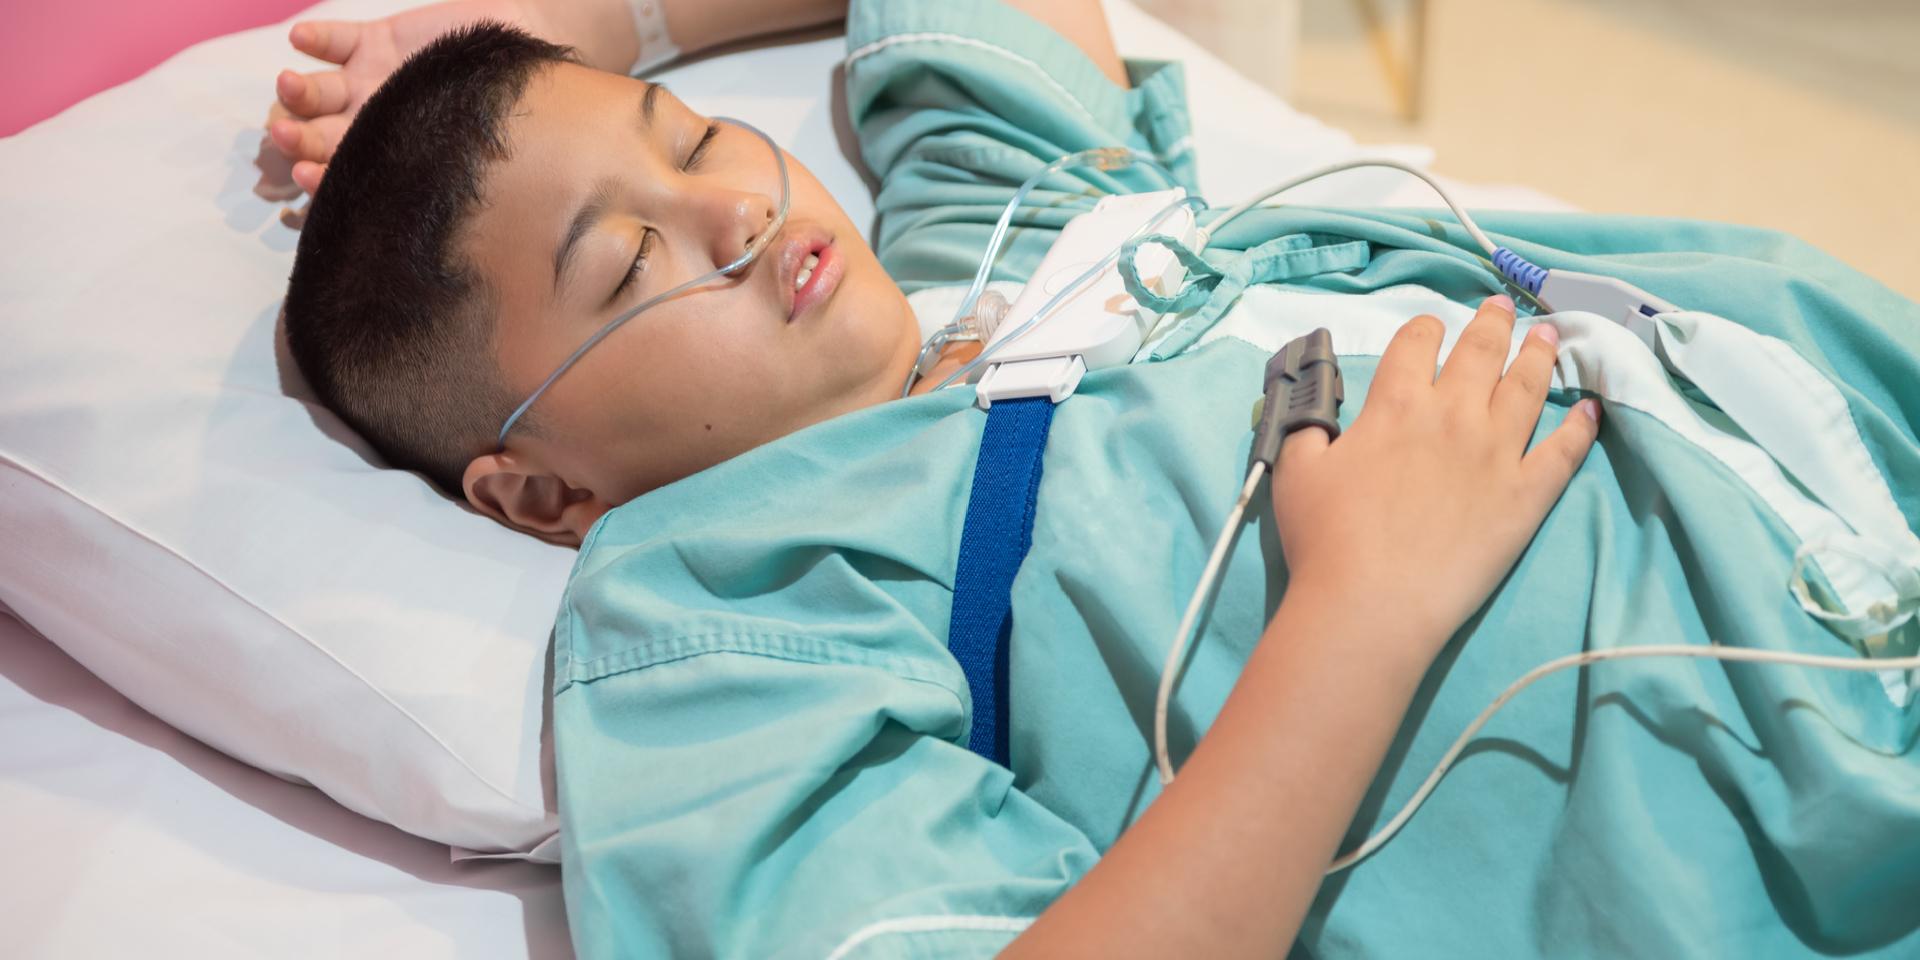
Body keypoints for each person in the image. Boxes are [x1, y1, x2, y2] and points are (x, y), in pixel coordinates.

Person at [269, 1, 1920, 958]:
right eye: (629, 259)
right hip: (1808, 822)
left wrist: (587, 29)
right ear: (538, 493)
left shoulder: (1010, 215)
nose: (743, 211)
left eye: (695, 140)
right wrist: (1357, 612)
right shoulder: (719, 608)